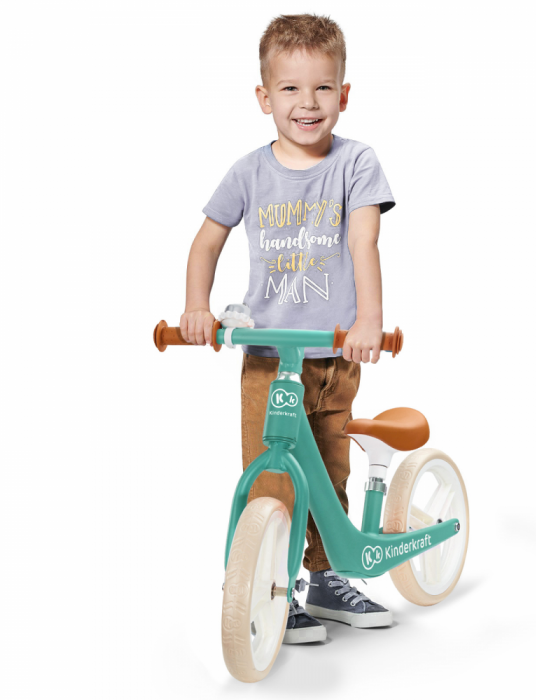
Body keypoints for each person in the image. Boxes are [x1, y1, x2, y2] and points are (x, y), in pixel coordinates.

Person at [180, 13, 396, 644]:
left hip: (335, 353)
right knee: (272, 475)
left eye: (323, 87)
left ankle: (326, 579)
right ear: (264, 97)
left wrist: (369, 321)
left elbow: (363, 240)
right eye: (291, 89)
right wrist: (197, 307)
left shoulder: (355, 162)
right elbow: (206, 242)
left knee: (329, 469)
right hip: (269, 359)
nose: (308, 103)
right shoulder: (248, 172)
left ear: (344, 95)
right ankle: (274, 582)